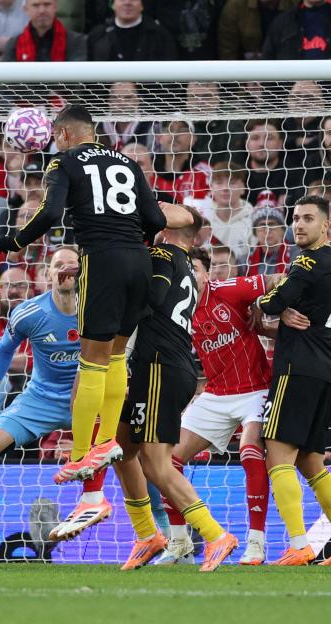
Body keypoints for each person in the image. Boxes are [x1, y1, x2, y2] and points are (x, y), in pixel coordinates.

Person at [0, 105, 194, 498]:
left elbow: (50, 213)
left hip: (102, 262)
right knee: (117, 356)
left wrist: (12, 242)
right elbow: (154, 217)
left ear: (65, 134)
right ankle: (106, 442)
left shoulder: (63, 161)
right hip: (140, 262)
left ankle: (84, 451)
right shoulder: (127, 162)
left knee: (92, 360)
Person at [0, 247, 113, 561]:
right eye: (58, 265)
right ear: (46, 275)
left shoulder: (99, 309)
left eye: (73, 265)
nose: (66, 270)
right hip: (41, 399)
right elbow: (4, 350)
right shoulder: (30, 312)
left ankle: (164, 533)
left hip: (90, 398)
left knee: (138, 455)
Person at [111, 231, 239, 572]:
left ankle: (215, 535)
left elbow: (143, 303)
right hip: (157, 366)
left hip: (159, 368)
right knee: (120, 450)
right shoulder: (179, 264)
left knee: (157, 463)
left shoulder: (162, 258)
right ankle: (147, 535)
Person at [252, 194, 331, 565]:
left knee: (277, 455)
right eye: (296, 218)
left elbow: (269, 303)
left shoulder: (305, 261)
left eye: (307, 219)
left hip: (297, 369)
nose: (298, 225)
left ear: (325, 227)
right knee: (312, 463)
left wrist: (276, 302)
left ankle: (300, 543)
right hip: (327, 369)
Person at [154, 267, 282, 566]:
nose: (189, 274)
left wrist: (262, 307)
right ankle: (179, 542)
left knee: (250, 450)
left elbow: (277, 279)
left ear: (206, 273)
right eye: (183, 269)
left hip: (255, 389)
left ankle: (256, 542)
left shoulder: (228, 289)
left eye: (194, 269)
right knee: (166, 459)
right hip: (215, 393)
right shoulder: (175, 304)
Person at [87, 0, 177, 62]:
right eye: (122, 0)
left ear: (142, 5)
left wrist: (137, 88)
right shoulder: (98, 35)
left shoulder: (160, 36)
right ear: (113, 5)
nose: (127, 3)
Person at [2, 0, 86, 61]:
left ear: (56, 7)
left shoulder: (76, 41)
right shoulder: (13, 45)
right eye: (35, 5)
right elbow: (5, 83)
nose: (42, 11)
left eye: (47, 4)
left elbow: (76, 82)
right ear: (26, 9)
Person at [218, 0, 299, 60]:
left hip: (289, 69)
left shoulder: (296, 4)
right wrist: (239, 80)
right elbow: (227, 53)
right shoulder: (235, 6)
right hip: (246, 70)